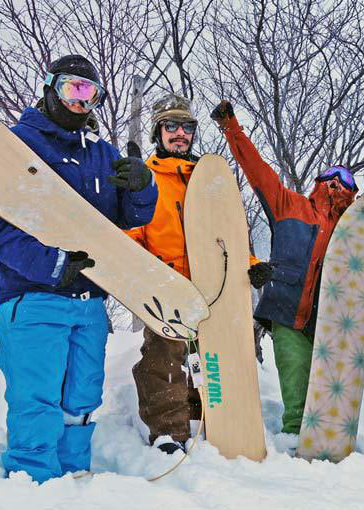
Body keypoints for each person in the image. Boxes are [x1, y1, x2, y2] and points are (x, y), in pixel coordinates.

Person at [0, 55, 157, 483]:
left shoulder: (102, 154)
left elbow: (129, 219)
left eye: (90, 93)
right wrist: (54, 265)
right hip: (33, 298)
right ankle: (33, 486)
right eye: (73, 88)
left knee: (82, 400)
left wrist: (142, 187)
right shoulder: (17, 145)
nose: (81, 101)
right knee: (37, 403)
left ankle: (75, 484)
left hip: (89, 301)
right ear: (51, 86)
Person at [210, 100, 364, 444]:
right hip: (286, 309)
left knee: (325, 390)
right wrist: (231, 128)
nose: (338, 181)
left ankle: (325, 444)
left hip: (328, 319)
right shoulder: (289, 205)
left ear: (353, 192)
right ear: (320, 180)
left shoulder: (350, 227)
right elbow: (257, 171)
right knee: (296, 377)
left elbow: (360, 270)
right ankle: (293, 441)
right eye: (332, 175)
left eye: (346, 179)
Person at [125, 93, 204, 455]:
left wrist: (250, 267)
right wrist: (145, 279)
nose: (179, 133)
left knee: (218, 354)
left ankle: (212, 415)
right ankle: (169, 431)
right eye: (171, 126)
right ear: (159, 131)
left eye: (186, 127)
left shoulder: (206, 179)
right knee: (164, 357)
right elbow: (131, 233)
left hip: (209, 286)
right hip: (165, 285)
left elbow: (228, 233)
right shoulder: (147, 178)